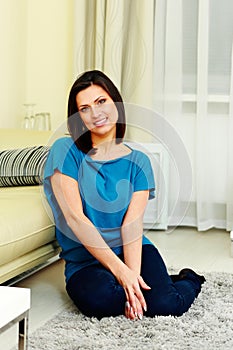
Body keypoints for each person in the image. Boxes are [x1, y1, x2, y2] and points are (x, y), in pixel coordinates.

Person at [43, 70, 205, 321]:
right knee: (103, 301)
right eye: (84, 108)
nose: (96, 114)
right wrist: (122, 274)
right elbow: (75, 219)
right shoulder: (64, 150)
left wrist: (132, 275)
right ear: (78, 118)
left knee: (166, 304)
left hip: (132, 251)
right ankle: (149, 282)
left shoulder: (138, 161)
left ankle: (189, 279)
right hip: (85, 262)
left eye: (101, 102)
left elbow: (131, 225)